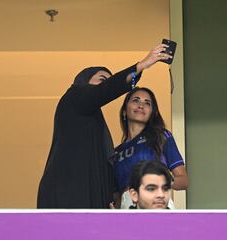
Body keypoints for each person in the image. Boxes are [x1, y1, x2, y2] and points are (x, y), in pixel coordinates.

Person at [37, 44, 173, 209]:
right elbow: (104, 91)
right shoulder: (74, 96)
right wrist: (141, 66)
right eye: (102, 80)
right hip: (68, 194)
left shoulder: (89, 116)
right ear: (83, 81)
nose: (106, 85)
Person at [113, 87, 188, 209]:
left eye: (147, 103)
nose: (141, 105)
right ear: (124, 111)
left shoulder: (162, 136)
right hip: (127, 206)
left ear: (152, 113)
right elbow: (116, 194)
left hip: (158, 202)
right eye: (136, 100)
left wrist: (158, 184)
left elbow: (184, 180)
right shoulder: (116, 152)